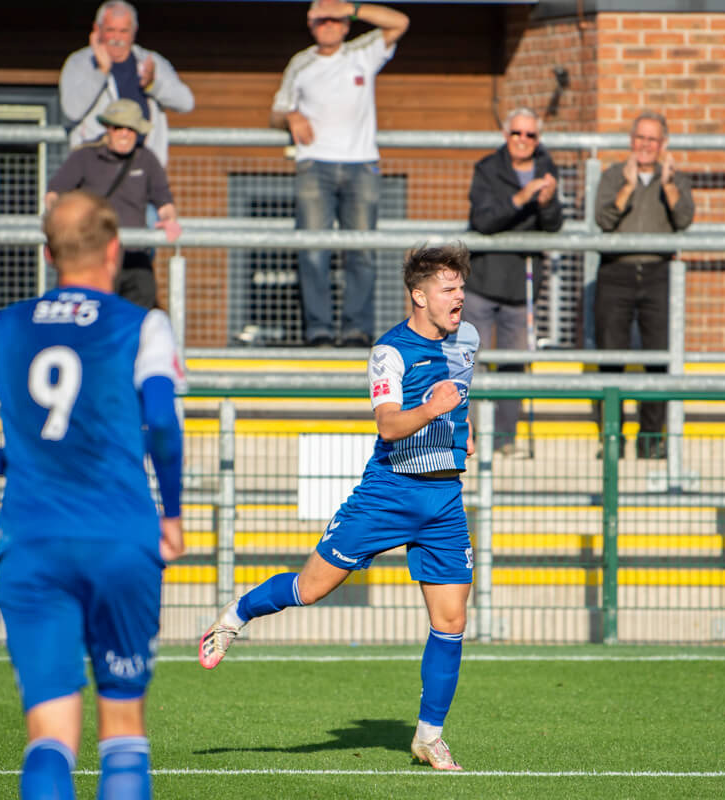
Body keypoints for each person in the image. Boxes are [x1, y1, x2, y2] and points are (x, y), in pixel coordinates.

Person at [0, 190, 186, 798]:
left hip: (32, 542)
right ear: (114, 249)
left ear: (49, 254)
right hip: (121, 538)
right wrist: (173, 515)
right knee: (123, 729)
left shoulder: (0, 326)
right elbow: (162, 422)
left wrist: (21, 461)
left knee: (49, 735)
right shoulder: (145, 324)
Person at [198, 243, 479, 771]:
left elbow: (462, 394)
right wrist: (433, 407)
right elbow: (389, 425)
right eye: (448, 288)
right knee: (310, 589)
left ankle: (428, 737)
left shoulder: (468, 339)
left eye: (461, 286)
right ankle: (233, 618)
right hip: (388, 492)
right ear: (419, 296)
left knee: (451, 620)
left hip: (444, 497)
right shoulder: (389, 352)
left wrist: (465, 432)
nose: (459, 295)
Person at [270, 0, 410, 347]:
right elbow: (276, 111)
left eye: (335, 19)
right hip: (314, 166)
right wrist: (290, 117)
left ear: (346, 24)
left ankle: (356, 330)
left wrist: (354, 7)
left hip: (361, 165)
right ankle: (317, 330)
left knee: (361, 252)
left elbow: (399, 22)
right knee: (313, 251)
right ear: (310, 23)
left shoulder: (361, 51)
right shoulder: (300, 63)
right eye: (321, 20)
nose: (329, 25)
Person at [593, 110, 694, 459]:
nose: (646, 145)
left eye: (653, 139)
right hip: (616, 272)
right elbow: (603, 219)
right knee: (610, 357)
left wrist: (667, 185)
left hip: (657, 273)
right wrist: (628, 186)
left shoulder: (676, 180)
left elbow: (684, 220)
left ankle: (651, 439)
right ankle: (611, 439)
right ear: (631, 141)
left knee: (659, 358)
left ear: (663, 144)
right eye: (640, 138)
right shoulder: (613, 176)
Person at [465, 107, 562, 456]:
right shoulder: (488, 169)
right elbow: (483, 221)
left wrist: (547, 203)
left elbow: (553, 225)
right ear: (506, 136)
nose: (523, 140)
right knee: (467, 361)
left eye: (531, 135)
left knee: (513, 364)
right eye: (517, 133)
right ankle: (466, 437)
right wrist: (520, 200)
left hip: (522, 285)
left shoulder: (547, 169)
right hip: (483, 280)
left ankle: (506, 439)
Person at [46, 99, 180, 309]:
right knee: (90, 318)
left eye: (131, 128)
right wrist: (61, 224)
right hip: (92, 257)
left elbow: (164, 200)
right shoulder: (84, 156)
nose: (124, 134)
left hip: (134, 256)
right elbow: (54, 193)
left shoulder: (146, 159)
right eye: (118, 127)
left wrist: (169, 219)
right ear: (108, 128)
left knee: (138, 319)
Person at [59, 0, 194, 167]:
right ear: (97, 29)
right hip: (95, 170)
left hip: (143, 170)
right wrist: (100, 72)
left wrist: (153, 85)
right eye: (111, 30)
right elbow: (72, 110)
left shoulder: (150, 61)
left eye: (124, 31)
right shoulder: (80, 63)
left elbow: (186, 103)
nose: (117, 38)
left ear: (134, 32)